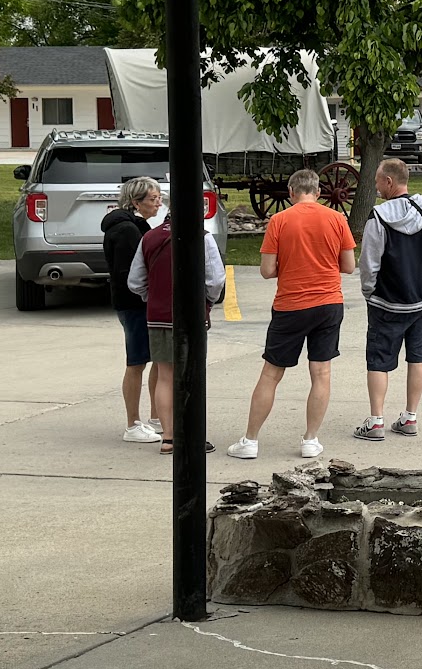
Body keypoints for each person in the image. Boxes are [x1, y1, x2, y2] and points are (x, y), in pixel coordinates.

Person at [229, 169, 357, 462]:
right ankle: (310, 439)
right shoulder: (337, 219)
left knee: (271, 373)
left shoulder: (279, 220)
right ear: (319, 192)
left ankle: (251, 440)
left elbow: (267, 270)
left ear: (290, 192)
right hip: (328, 303)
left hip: (291, 304)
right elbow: (349, 266)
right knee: (321, 373)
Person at [354, 158, 422, 441]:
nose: (376, 187)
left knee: (379, 360)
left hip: (388, 303)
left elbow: (369, 263)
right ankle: (410, 417)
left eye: (377, 181)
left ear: (389, 181)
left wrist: (370, 292)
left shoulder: (378, 217)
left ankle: (376, 422)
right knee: (419, 356)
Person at [127, 202, 225, 455]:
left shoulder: (149, 237)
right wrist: (207, 301)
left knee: (165, 375)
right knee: (191, 375)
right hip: (191, 316)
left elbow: (135, 281)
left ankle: (168, 437)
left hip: (158, 316)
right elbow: (215, 280)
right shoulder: (203, 238)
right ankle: (192, 434)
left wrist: (153, 298)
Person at [102, 176, 163, 443]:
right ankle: (132, 423)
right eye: (152, 198)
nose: (158, 203)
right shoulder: (126, 230)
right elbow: (131, 273)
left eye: (159, 197)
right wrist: (148, 294)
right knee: (137, 362)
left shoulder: (137, 226)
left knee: (158, 357)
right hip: (133, 304)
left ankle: (157, 415)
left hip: (142, 303)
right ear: (136, 202)